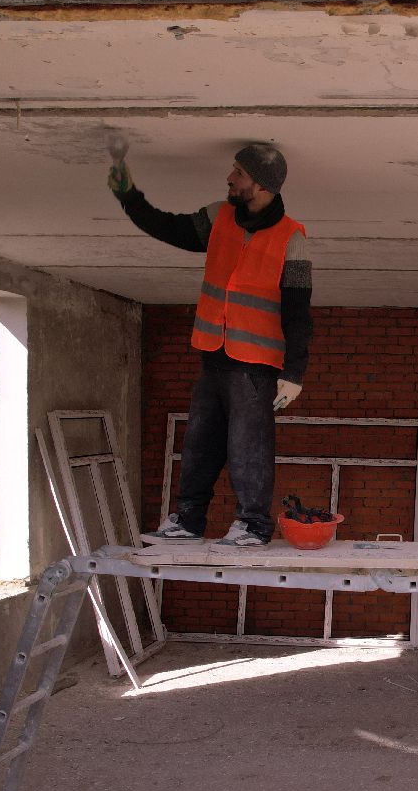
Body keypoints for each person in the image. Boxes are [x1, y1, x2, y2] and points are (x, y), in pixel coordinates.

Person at [108, 142, 312, 546]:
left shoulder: (292, 238)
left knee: (248, 445)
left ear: (262, 184)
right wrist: (129, 197)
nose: (229, 178)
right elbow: (169, 228)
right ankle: (188, 520)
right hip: (214, 353)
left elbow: (298, 312)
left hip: (256, 364)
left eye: (239, 172)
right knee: (200, 441)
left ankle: (253, 524)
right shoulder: (220, 216)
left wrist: (294, 373)